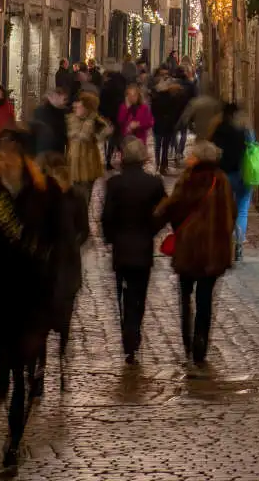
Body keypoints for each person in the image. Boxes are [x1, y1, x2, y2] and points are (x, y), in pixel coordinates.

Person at [0, 128, 61, 473]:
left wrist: (55, 290)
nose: (1, 159)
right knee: (7, 365)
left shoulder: (44, 192)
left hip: (33, 295)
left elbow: (59, 242)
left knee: (21, 371)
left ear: (21, 156)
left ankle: (13, 444)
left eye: (7, 153)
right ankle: (13, 425)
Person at [154, 140, 235, 366]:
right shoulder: (222, 181)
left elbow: (173, 207)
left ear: (198, 158)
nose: (188, 157)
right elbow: (232, 212)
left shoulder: (187, 179)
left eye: (192, 155)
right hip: (212, 251)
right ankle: (201, 343)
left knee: (185, 295)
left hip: (188, 249)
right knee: (205, 299)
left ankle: (187, 339)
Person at [99, 136, 165, 363]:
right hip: (143, 247)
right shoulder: (154, 183)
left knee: (124, 292)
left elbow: (106, 216)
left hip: (122, 247)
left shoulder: (115, 184)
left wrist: (111, 238)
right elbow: (163, 211)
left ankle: (128, 331)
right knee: (139, 292)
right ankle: (134, 330)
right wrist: (152, 230)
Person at [40, 152, 88, 392]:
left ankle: (60, 367)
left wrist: (71, 245)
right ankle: (40, 371)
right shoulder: (43, 199)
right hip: (47, 270)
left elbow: (84, 230)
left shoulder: (76, 197)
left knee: (64, 323)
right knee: (42, 322)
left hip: (67, 269)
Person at [212, 103, 254, 261]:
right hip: (244, 174)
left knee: (224, 210)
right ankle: (238, 244)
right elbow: (253, 148)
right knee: (242, 211)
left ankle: (225, 244)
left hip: (224, 176)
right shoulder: (246, 130)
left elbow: (212, 152)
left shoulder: (218, 130)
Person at [65, 91, 110, 200]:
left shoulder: (95, 120)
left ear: (87, 107)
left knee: (85, 196)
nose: (75, 105)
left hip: (88, 166)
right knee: (73, 195)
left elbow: (105, 132)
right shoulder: (71, 118)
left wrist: (93, 124)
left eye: (78, 103)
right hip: (73, 165)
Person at [150, 72, 186, 175]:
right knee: (165, 146)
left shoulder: (155, 98)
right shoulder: (172, 98)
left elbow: (153, 112)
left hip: (158, 124)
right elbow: (174, 112)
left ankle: (158, 163)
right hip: (168, 125)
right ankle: (163, 165)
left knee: (158, 146)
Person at [98, 62, 129, 165]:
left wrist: (102, 114)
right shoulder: (122, 83)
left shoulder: (106, 86)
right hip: (119, 113)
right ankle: (123, 156)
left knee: (110, 136)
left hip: (108, 114)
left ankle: (108, 158)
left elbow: (102, 101)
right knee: (118, 136)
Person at [28, 86, 69, 158]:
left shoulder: (64, 111)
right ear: (51, 97)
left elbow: (64, 131)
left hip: (58, 151)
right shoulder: (41, 110)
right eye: (62, 98)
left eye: (65, 99)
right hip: (44, 151)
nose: (65, 101)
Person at [116, 82, 154, 157]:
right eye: (129, 95)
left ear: (138, 96)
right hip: (126, 142)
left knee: (139, 164)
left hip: (140, 141)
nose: (132, 97)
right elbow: (120, 121)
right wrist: (126, 108)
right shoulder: (123, 107)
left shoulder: (144, 107)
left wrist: (138, 125)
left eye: (134, 95)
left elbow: (150, 123)